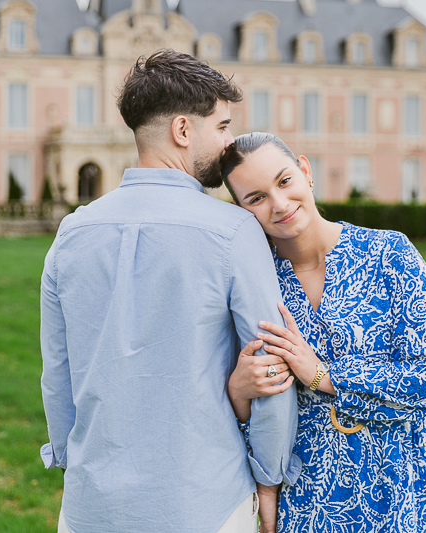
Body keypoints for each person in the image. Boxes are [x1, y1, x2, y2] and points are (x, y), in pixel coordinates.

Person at [40, 52, 301, 533]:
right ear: (183, 129)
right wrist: (270, 477)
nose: (229, 143)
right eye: (222, 126)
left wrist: (69, 461)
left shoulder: (71, 233)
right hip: (204, 504)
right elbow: (271, 363)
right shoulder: (234, 230)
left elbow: (58, 374)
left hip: (90, 507)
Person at [222, 132, 426, 533]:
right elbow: (252, 411)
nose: (279, 204)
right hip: (313, 499)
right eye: (257, 198)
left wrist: (323, 376)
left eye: (284, 181)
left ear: (305, 171)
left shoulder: (391, 254)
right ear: (241, 210)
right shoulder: (255, 284)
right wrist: (237, 392)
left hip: (409, 489)